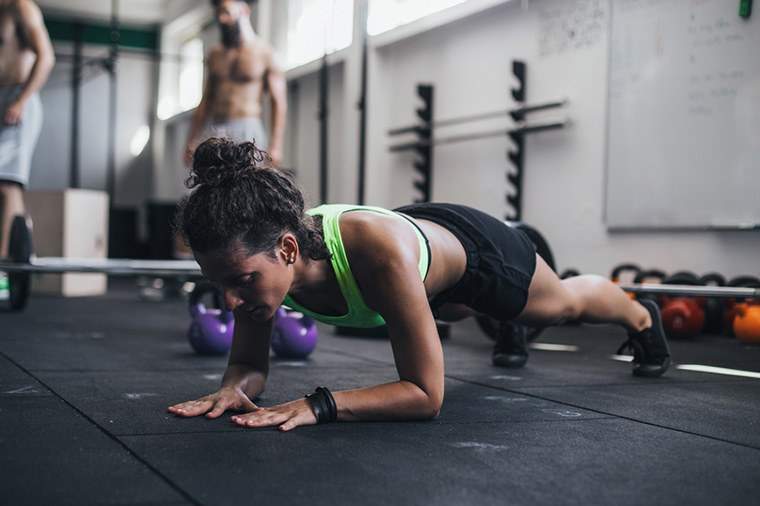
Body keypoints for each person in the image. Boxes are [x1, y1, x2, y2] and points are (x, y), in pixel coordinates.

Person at [167, 138, 671, 431]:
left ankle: (642, 314)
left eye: (240, 282)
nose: (231, 300)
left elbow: (426, 395)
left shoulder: (376, 259)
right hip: (423, 257)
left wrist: (320, 404)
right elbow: (251, 364)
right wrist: (233, 389)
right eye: (220, 285)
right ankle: (497, 315)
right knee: (448, 308)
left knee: (559, 307)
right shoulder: (259, 266)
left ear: (289, 250)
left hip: (477, 252)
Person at [183, 0, 286, 167]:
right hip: (216, 128)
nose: (221, 19)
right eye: (218, 14)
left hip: (248, 127)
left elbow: (278, 102)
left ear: (244, 11)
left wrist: (276, 145)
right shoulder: (215, 54)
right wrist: (192, 138)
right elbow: (206, 100)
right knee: (213, 185)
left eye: (226, 12)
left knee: (247, 187)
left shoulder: (265, 52)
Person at [0, 0, 54, 299]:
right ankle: (15, 251)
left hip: (18, 99)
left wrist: (21, 100)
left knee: (7, 183)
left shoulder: (22, 8)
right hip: (1, 98)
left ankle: (5, 270)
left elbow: (46, 58)